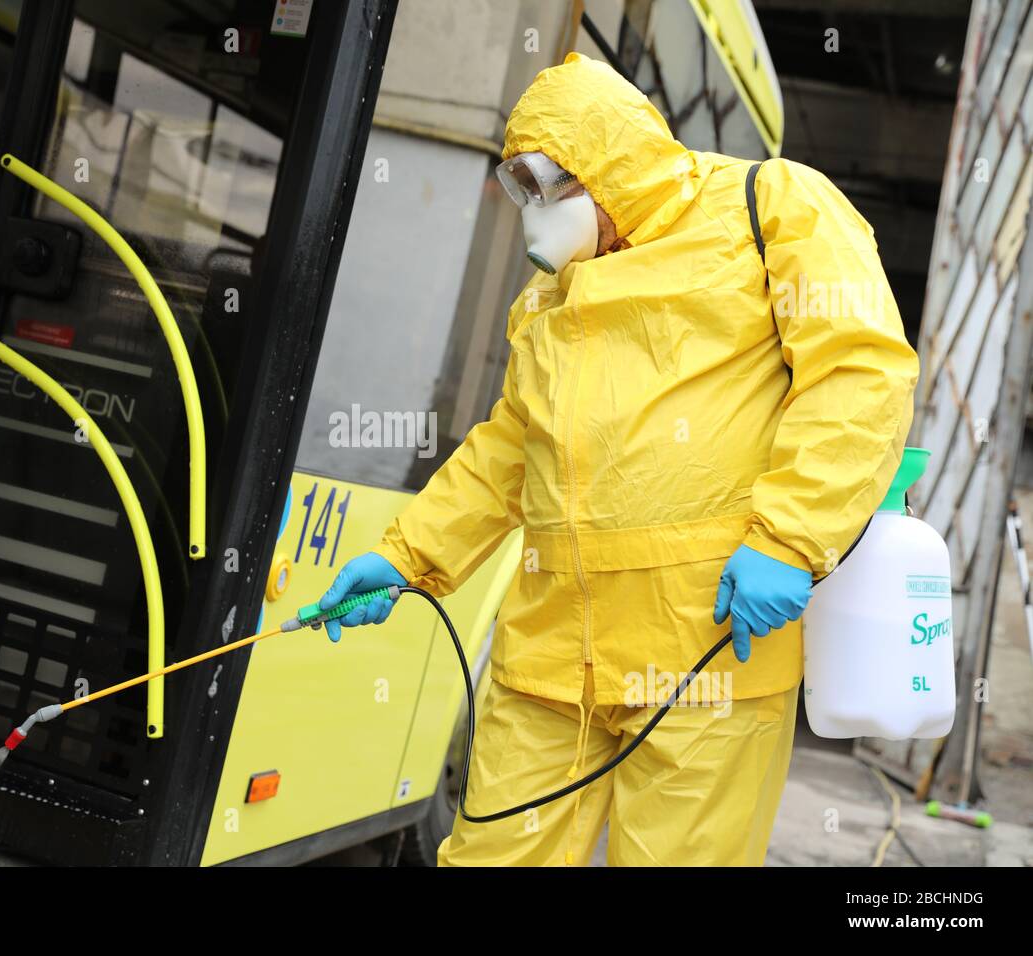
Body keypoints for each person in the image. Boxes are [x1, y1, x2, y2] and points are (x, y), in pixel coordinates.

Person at [318, 53, 918, 866]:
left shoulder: (770, 207)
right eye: (518, 189)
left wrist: (789, 539)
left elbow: (858, 374)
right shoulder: (550, 294)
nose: (534, 213)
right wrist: (405, 559)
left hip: (704, 656)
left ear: (608, 166)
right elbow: (509, 449)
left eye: (546, 184)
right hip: (548, 656)